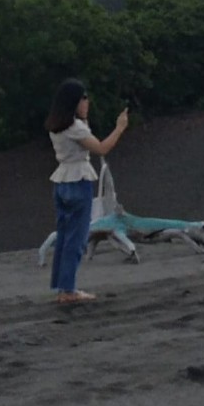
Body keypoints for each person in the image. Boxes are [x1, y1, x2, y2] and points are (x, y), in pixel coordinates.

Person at [44, 79, 128, 304]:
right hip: (78, 181)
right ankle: (69, 290)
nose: (87, 102)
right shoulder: (75, 127)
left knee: (64, 237)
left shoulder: (57, 126)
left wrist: (84, 116)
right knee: (77, 238)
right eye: (84, 98)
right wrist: (120, 127)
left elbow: (84, 135)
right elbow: (101, 148)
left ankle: (62, 287)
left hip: (61, 182)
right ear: (75, 101)